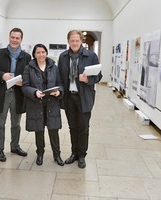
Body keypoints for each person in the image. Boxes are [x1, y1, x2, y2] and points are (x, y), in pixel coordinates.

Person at [58, 30, 102, 168]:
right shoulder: (63, 56)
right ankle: (74, 153)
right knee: (72, 127)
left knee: (83, 127)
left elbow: (99, 76)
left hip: (84, 97)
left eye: (77, 40)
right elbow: (59, 76)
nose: (75, 43)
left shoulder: (91, 56)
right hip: (69, 97)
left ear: (81, 41)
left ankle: (82, 155)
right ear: (68, 41)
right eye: (72, 40)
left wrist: (88, 79)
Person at [0, 28, 31, 162]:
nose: (14, 40)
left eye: (17, 38)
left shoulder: (26, 57)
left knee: (16, 123)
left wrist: (23, 82)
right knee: (0, 123)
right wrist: (3, 75)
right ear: (9, 37)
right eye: (12, 37)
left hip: (18, 94)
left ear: (21, 40)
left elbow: (28, 74)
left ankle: (15, 146)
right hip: (2, 93)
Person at [22, 44, 64, 166]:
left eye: (43, 52)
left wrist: (59, 91)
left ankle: (57, 155)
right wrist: (34, 92)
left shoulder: (53, 67)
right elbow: (25, 87)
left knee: (53, 130)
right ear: (34, 55)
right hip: (37, 103)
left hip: (52, 103)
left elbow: (60, 83)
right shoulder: (28, 68)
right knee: (39, 130)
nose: (41, 55)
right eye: (38, 52)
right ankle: (40, 153)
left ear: (46, 53)